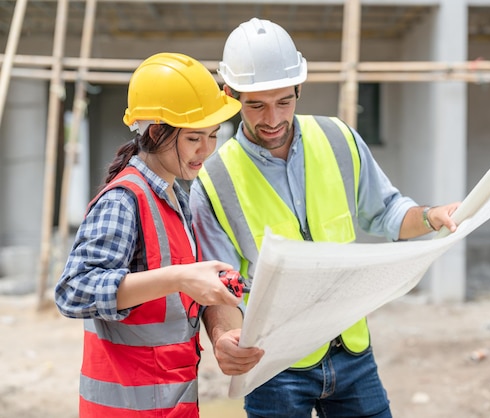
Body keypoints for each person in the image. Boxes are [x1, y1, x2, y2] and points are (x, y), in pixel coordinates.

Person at [189, 18, 460, 418]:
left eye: (284, 101)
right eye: (256, 105)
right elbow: (220, 286)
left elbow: (387, 213)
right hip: (274, 363)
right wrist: (224, 337)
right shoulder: (213, 180)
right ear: (231, 95)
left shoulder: (339, 139)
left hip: (351, 350)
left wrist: (433, 216)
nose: (272, 119)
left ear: (299, 88)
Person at [54, 52, 263, 417]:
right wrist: (179, 278)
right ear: (155, 133)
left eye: (213, 136)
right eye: (194, 138)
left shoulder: (173, 196)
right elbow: (74, 290)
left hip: (170, 405)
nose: (207, 150)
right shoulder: (124, 200)